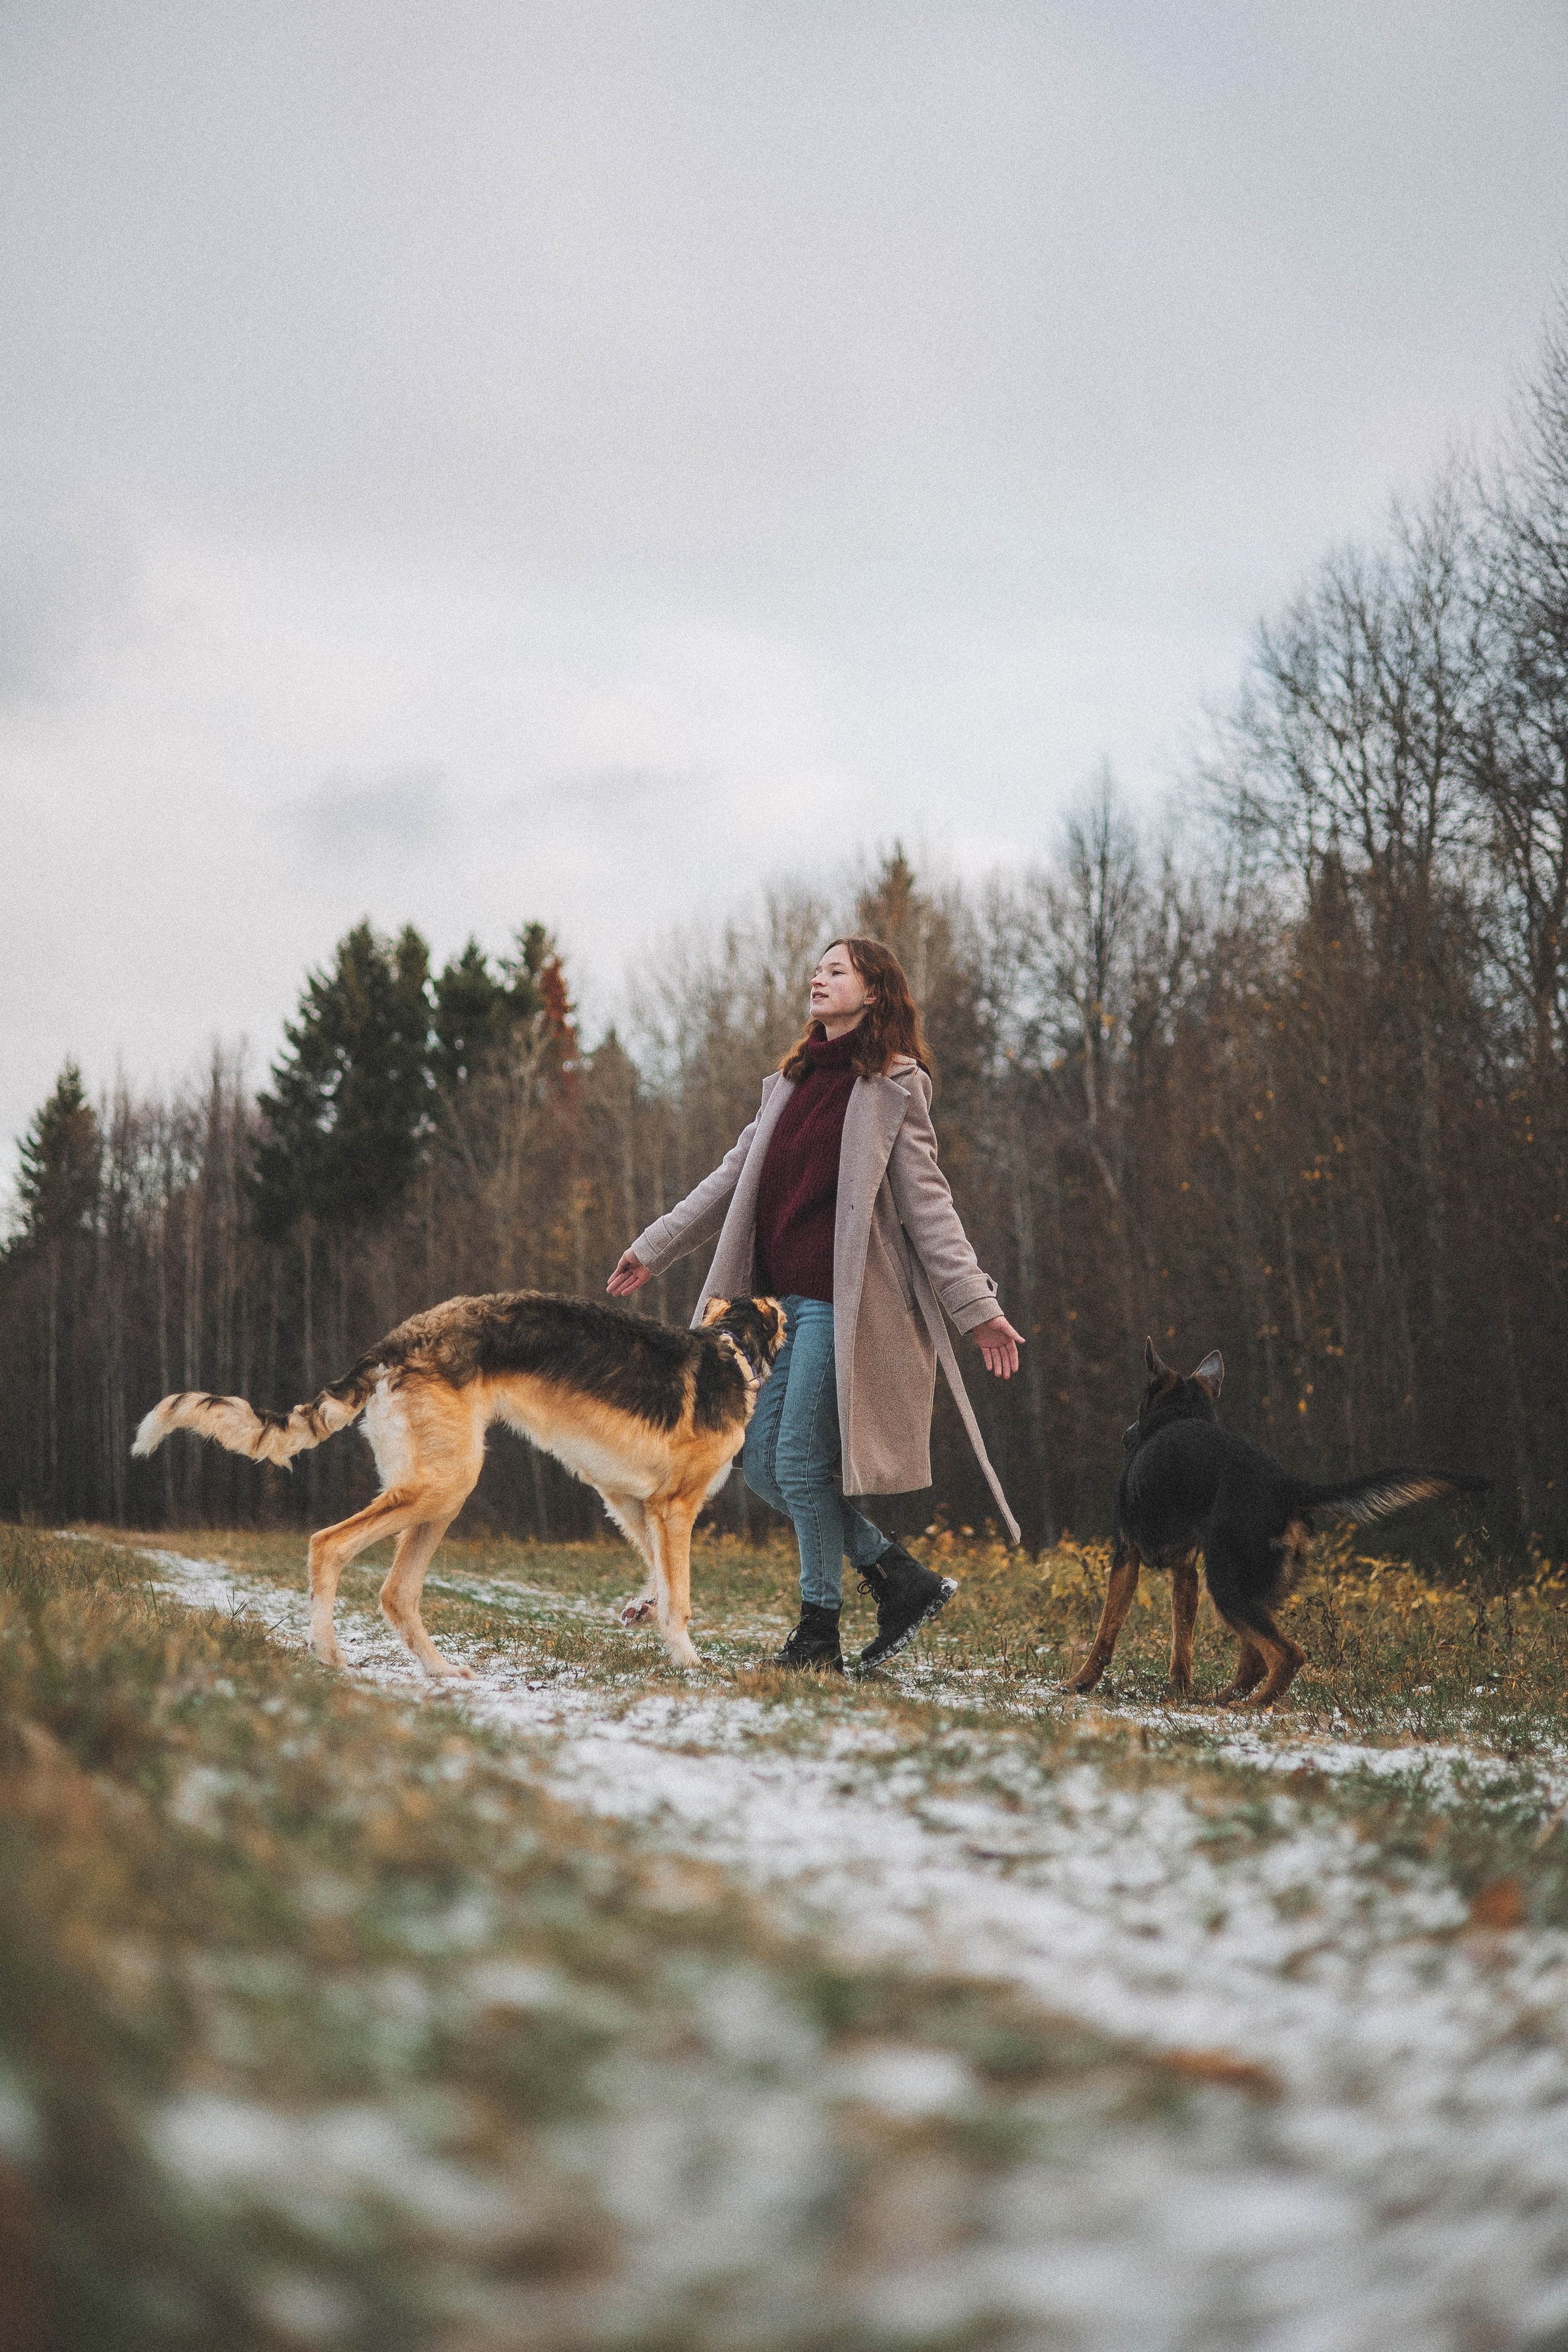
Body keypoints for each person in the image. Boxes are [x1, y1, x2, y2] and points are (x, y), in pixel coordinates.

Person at [608, 936, 1023, 1673]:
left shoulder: (895, 1086)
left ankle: (817, 1634)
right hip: (772, 1312)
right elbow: (727, 1181)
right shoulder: (787, 1087)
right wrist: (651, 1247)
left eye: (837, 970)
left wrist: (976, 1306)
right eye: (817, 968)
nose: (818, 977)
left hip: (845, 1305)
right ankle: (900, 1579)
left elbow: (930, 1208)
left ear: (873, 993)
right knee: (762, 1464)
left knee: (800, 1458)